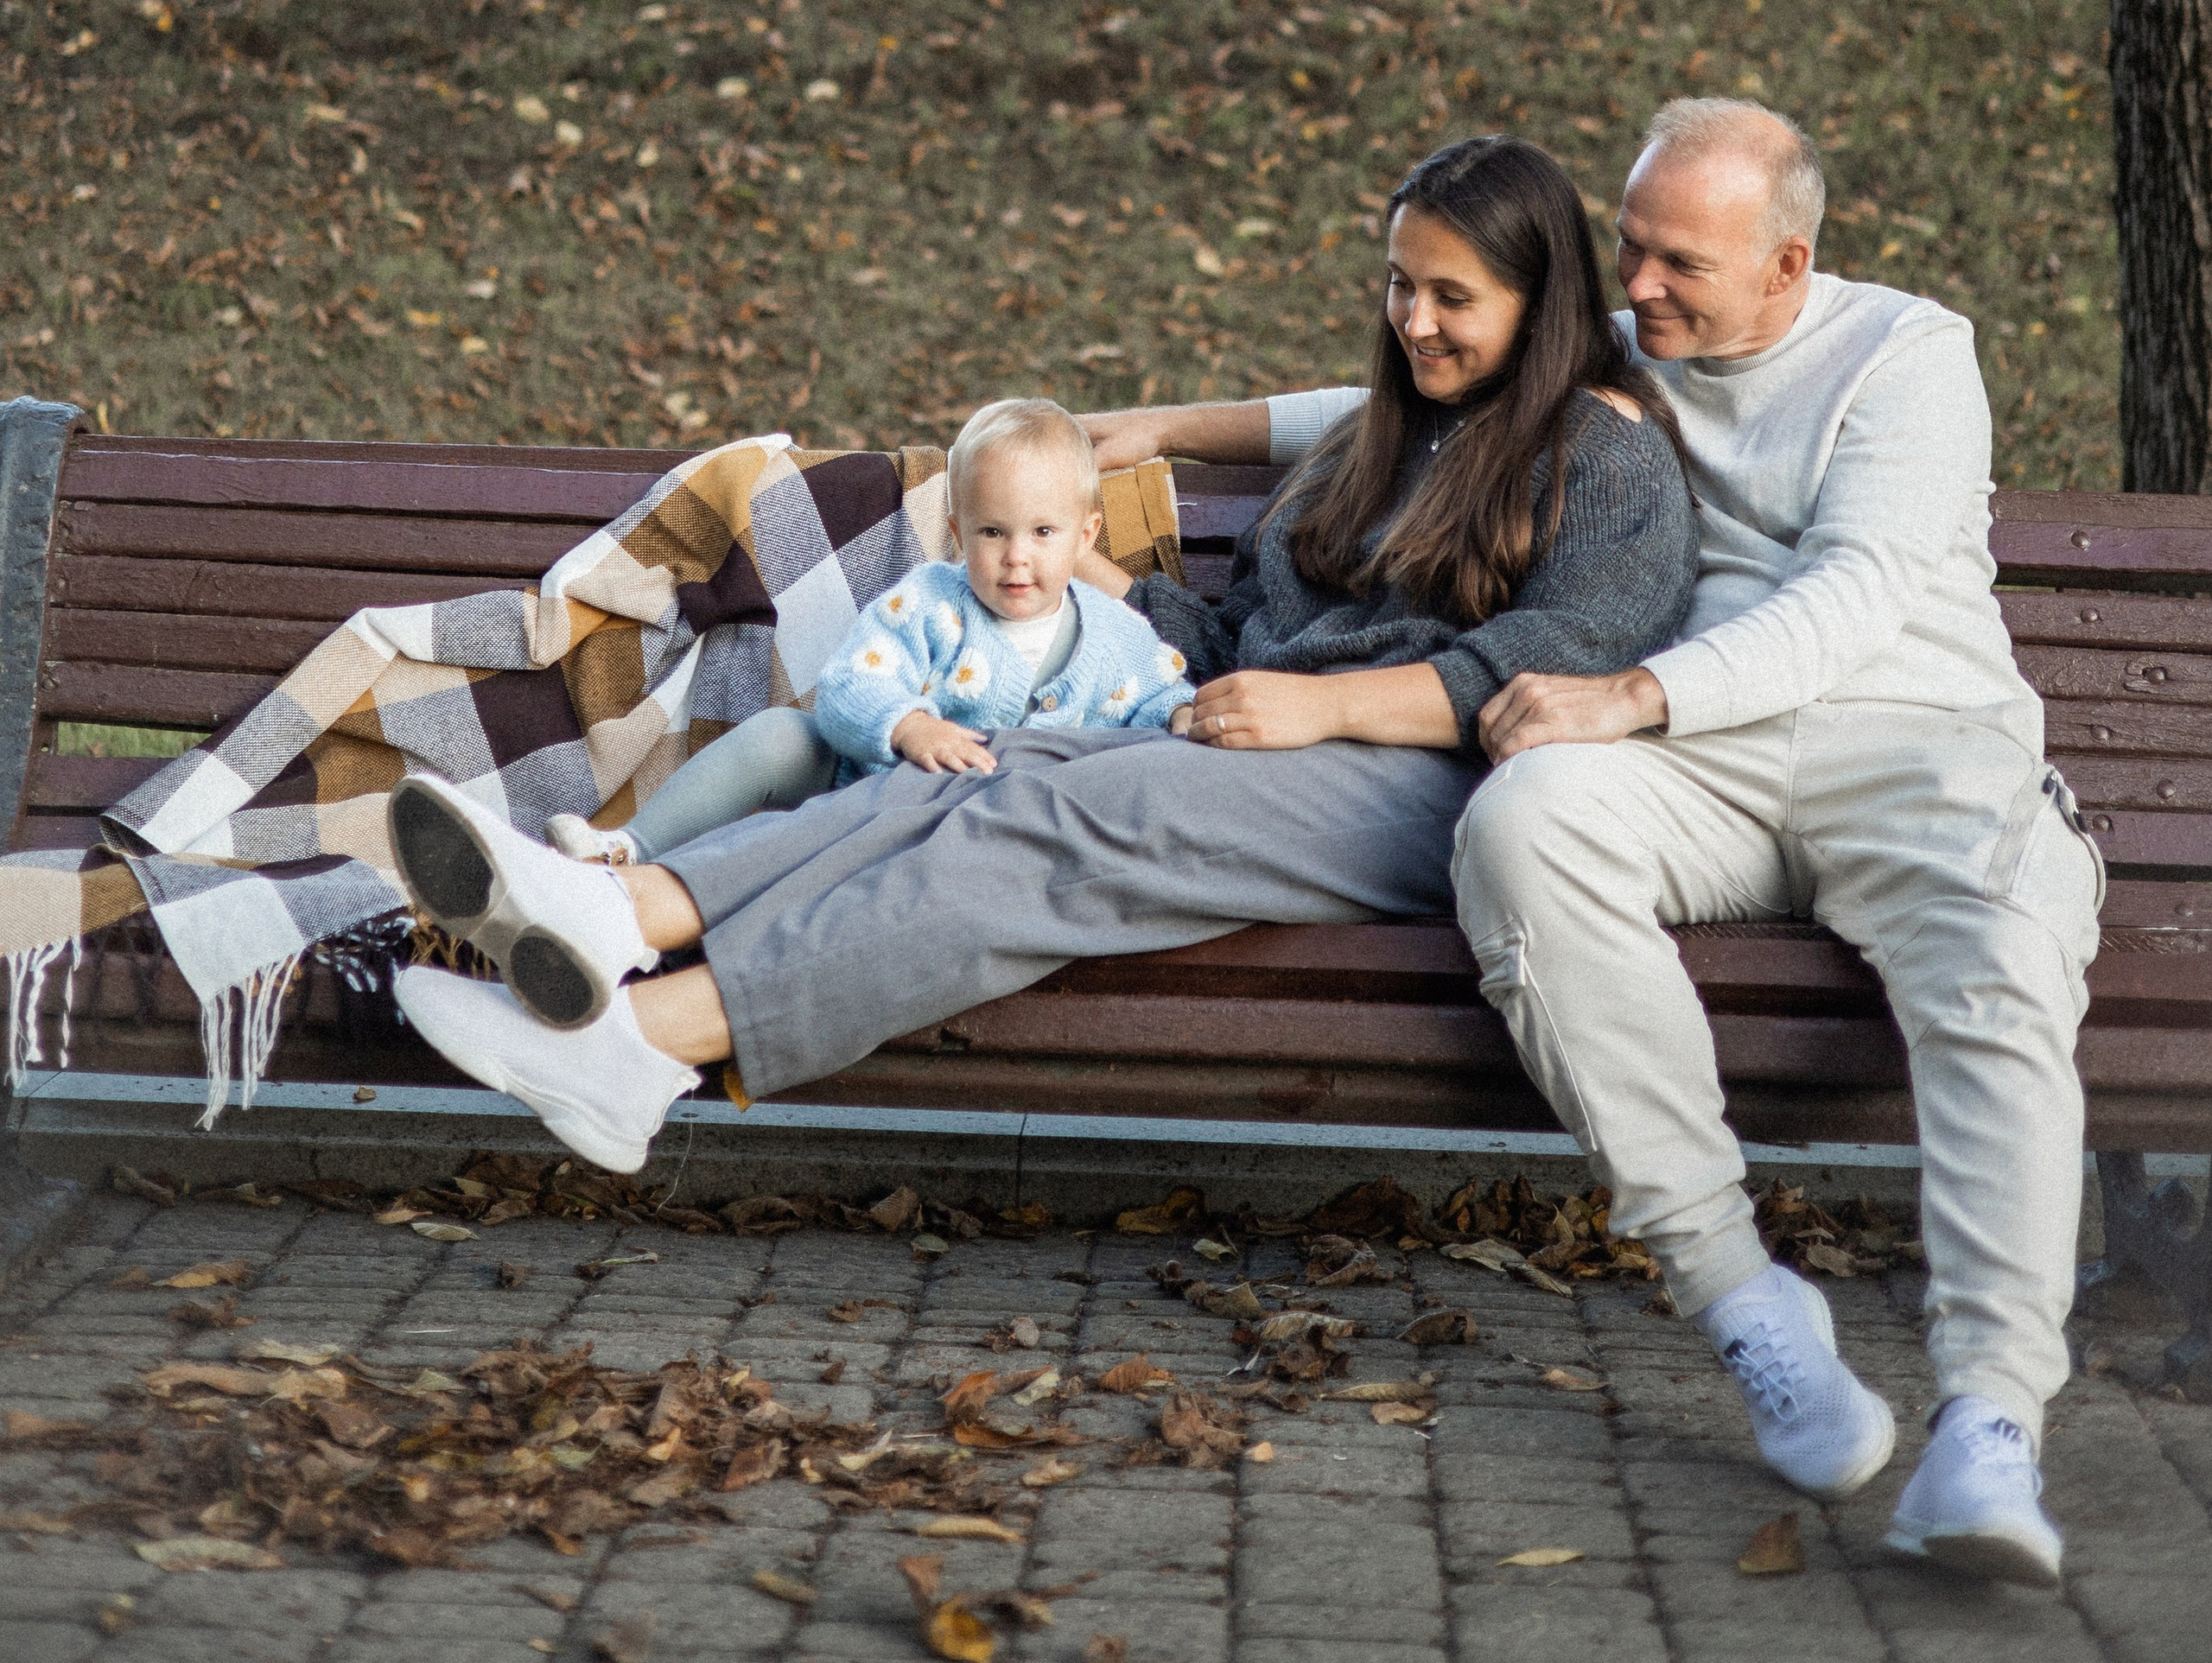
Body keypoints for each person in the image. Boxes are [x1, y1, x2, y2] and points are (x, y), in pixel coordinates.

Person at [390, 130, 1699, 1192]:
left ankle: (648, 1042)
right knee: (982, 766)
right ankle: (616, 915)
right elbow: (1243, 644)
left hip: (1431, 787)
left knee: (1060, 809)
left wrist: (1322, 705)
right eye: (1399, 285)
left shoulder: (1607, 458)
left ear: (1542, 303)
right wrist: (1102, 587)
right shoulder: (1390, 435)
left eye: (1451, 296)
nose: (1414, 320)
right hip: (1263, 747)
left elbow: (1548, 673)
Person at [1240, 98, 2097, 1594]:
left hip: (1910, 746)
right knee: (1523, 823)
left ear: (1789, 263)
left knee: (2003, 960)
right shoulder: (1635, 346)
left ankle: (1991, 1420)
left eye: (1677, 263)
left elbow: (1859, 592)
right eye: (1627, 249)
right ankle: (1746, 1302)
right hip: (1699, 765)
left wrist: (1631, 690)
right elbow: (1401, 399)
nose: (1633, 290)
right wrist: (1156, 431)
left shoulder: (1908, 354)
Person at [515, 399, 1192, 873]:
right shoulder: (929, 602)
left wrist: (1184, 713)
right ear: (958, 535)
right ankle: (628, 850)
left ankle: (673, 895)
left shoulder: (1114, 637)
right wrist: (904, 725)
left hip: (994, 840)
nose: (1018, 556)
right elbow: (848, 685)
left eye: (1043, 532)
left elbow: (1159, 699)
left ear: (1086, 536)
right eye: (993, 531)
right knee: (781, 734)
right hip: (861, 791)